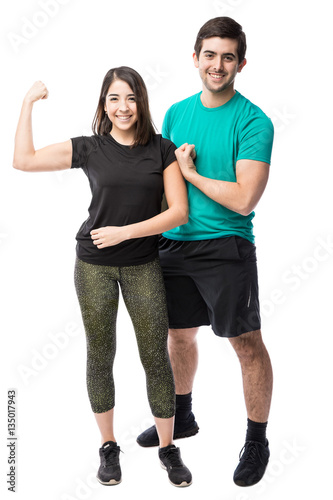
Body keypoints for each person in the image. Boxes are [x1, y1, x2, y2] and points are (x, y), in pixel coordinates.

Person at [13, 66, 193, 488]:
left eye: (130, 98)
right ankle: (109, 447)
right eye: (114, 98)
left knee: (155, 356)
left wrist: (124, 232)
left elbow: (178, 213)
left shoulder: (162, 150)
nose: (123, 107)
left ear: (141, 102)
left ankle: (168, 448)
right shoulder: (91, 148)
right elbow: (23, 160)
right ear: (104, 104)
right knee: (100, 354)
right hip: (92, 264)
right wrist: (26, 103)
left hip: (143, 264)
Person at [137, 17, 274, 487]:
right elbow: (163, 184)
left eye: (228, 56)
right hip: (173, 245)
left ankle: (256, 439)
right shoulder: (176, 113)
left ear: (241, 63)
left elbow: (243, 198)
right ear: (195, 57)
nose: (218, 65)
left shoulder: (254, 120)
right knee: (178, 336)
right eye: (210, 55)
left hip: (227, 248)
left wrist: (192, 175)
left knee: (246, 344)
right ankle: (182, 416)